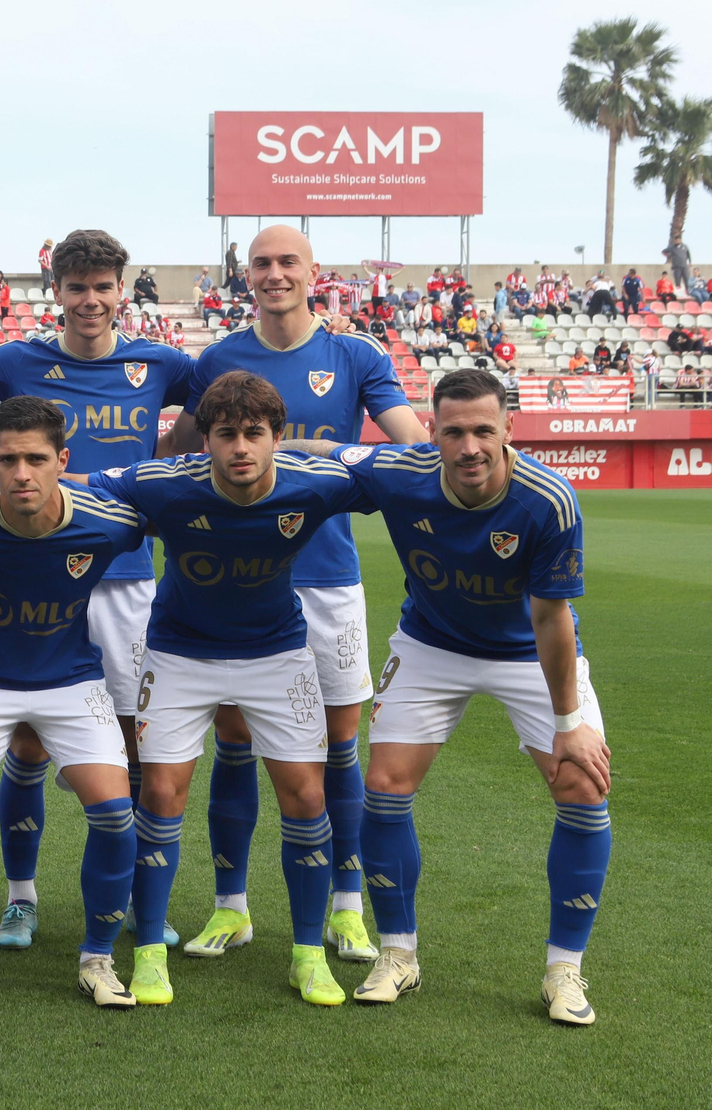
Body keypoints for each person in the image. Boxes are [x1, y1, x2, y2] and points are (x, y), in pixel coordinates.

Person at [287, 368, 609, 1024]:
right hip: (433, 644)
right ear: (432, 432)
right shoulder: (398, 471)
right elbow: (324, 454)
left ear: (508, 430)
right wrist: (255, 453)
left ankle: (563, 969)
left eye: (484, 431)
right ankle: (398, 955)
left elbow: (552, 620)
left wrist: (569, 721)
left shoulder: (548, 500)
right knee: (385, 783)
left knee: (581, 783)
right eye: (454, 432)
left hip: (527, 651)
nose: (470, 447)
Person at [158, 224, 427, 965]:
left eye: (287, 263)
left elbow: (410, 447)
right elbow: (176, 457)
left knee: (341, 747)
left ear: (315, 273)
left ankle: (345, 908)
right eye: (261, 264)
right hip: (238, 584)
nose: (274, 274)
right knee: (235, 741)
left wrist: (311, 451)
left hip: (327, 580)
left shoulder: (355, 354)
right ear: (246, 276)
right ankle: (231, 908)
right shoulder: (217, 359)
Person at [89, 371, 374, 1006]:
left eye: (255, 434)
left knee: (305, 793)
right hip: (180, 652)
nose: (240, 447)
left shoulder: (314, 485)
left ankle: (306, 955)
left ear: (278, 438)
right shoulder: (164, 484)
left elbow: (397, 471)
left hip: (277, 654)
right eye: (226, 435)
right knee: (161, 790)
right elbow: (83, 487)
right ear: (206, 442)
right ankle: (150, 954)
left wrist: (329, 450)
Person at [0, 229, 198, 949]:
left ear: (124, 290)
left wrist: (162, 462)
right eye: (76, 287)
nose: (90, 300)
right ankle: (21, 898)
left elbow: (215, 408)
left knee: (131, 741)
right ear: (54, 292)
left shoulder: (161, 363)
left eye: (103, 286)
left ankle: (129, 895)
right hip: (37, 574)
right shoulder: (9, 363)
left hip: (124, 578)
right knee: (28, 742)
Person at [0, 397, 145, 1008]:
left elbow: (177, 510)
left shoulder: (108, 523)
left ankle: (97, 958)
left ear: (62, 461)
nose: (20, 474)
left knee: (117, 816)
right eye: (6, 460)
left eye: (36, 459)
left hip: (70, 680)